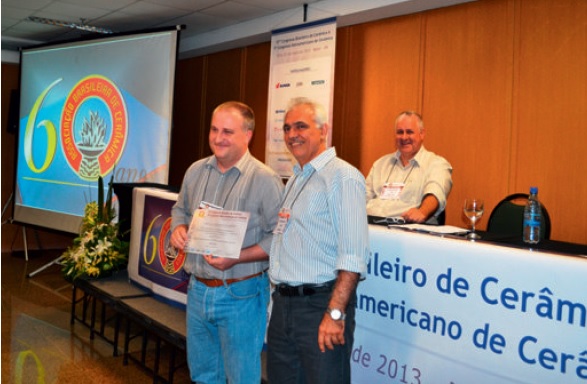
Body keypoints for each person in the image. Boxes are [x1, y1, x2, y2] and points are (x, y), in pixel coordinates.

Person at [170, 101, 283, 384]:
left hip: (240, 294)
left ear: (248, 135)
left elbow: (281, 239)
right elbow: (179, 209)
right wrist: (178, 228)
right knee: (204, 376)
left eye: (228, 132)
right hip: (197, 290)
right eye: (214, 129)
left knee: (241, 378)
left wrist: (239, 257)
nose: (218, 138)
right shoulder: (196, 171)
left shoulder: (265, 180)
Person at [267, 97, 370, 383]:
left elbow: (353, 256)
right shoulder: (298, 177)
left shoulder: (343, 177)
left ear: (324, 130)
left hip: (320, 307)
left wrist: (335, 314)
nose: (291, 134)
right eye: (287, 128)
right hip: (284, 306)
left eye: (301, 126)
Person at [366, 111, 452, 224]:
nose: (404, 137)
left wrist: (422, 212)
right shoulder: (380, 164)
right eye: (400, 132)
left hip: (404, 231)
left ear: (422, 134)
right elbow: (362, 197)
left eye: (409, 132)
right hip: (368, 226)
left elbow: (435, 193)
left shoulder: (437, 164)